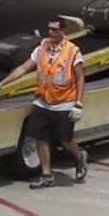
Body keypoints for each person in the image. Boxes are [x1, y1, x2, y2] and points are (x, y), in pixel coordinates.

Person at [25, 17, 86, 187]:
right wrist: (0, 85)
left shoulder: (73, 51)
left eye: (54, 30)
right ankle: (47, 175)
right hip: (43, 101)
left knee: (65, 140)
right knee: (40, 137)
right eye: (49, 29)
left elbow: (80, 78)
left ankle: (79, 157)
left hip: (64, 102)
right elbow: (24, 68)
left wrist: (78, 104)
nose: (50, 33)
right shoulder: (43, 47)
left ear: (63, 31)